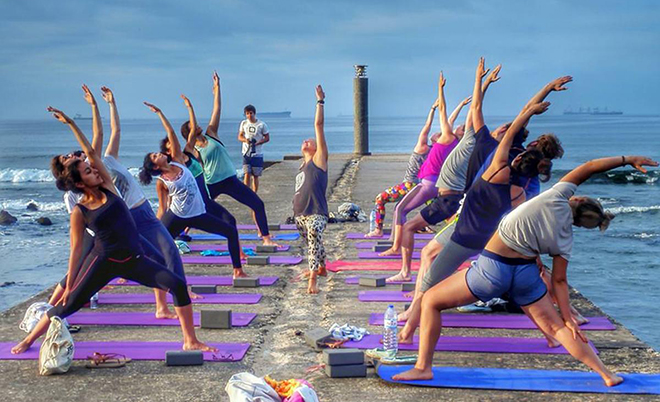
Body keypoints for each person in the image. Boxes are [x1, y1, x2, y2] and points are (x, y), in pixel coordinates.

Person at [392, 154, 658, 386]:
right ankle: (606, 373)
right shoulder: (565, 238)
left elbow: (590, 166)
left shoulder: (556, 195)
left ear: (576, 198)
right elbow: (560, 280)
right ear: (579, 223)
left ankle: (423, 367)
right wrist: (567, 319)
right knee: (557, 330)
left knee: (430, 301)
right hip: (526, 275)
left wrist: (627, 160)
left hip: (492, 268)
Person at [11, 107, 216, 355]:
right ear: (78, 183)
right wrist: (71, 284)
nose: (94, 170)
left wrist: (71, 124)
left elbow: (90, 151)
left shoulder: (108, 186)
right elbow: (76, 250)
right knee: (66, 306)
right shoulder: (80, 211)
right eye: (87, 171)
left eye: (92, 168)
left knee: (178, 285)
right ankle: (30, 339)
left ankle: (189, 340)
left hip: (135, 258)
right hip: (103, 262)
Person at [399, 59, 560, 344]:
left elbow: (481, 110)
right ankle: (555, 328)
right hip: (486, 234)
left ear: (508, 138)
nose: (500, 128)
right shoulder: (522, 180)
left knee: (428, 287)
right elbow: (521, 118)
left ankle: (406, 332)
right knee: (523, 278)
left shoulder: (495, 152)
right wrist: (542, 93)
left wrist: (480, 80)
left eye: (504, 129)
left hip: (467, 232)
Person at [49, 86, 186, 319]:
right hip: (114, 228)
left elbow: (108, 133)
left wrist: (103, 105)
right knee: (73, 278)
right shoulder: (82, 187)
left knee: (162, 257)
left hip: (133, 217)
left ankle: (164, 305)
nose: (73, 156)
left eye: (73, 155)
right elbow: (84, 227)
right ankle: (48, 310)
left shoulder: (103, 162)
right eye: (68, 158)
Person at [139, 97, 247, 278]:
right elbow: (163, 208)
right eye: (155, 156)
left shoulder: (179, 160)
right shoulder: (162, 181)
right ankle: (140, 271)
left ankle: (238, 271)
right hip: (176, 216)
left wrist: (160, 113)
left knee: (229, 230)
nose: (159, 153)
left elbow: (171, 133)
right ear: (155, 166)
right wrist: (156, 223)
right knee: (155, 245)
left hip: (198, 213)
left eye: (157, 152)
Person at [179, 72, 278, 247]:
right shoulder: (192, 150)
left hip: (230, 179)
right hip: (211, 184)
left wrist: (217, 88)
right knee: (195, 208)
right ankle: (181, 233)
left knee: (257, 204)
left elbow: (217, 109)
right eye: (192, 126)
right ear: (190, 133)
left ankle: (266, 238)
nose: (197, 125)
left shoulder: (211, 133)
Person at [379, 72, 461, 258]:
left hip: (427, 184)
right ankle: (396, 242)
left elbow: (444, 115)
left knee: (400, 209)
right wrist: (463, 105)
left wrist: (440, 90)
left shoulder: (447, 139)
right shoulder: (452, 145)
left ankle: (395, 247)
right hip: (435, 185)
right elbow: (451, 121)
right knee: (403, 209)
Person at [365, 96, 470, 238]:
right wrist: (461, 105)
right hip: (432, 184)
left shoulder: (423, 147)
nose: (438, 133)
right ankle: (452, 229)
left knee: (384, 200)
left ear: (439, 139)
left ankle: (380, 231)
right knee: (441, 211)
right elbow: (449, 122)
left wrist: (433, 109)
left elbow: (427, 127)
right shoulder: (442, 149)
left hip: (411, 184)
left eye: (439, 133)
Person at [293, 85, 329, 294]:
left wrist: (320, 101)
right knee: (312, 244)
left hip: (316, 212)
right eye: (304, 141)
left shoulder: (319, 160)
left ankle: (313, 279)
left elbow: (319, 125)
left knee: (314, 234)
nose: (307, 140)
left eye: (311, 141)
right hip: (299, 215)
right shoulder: (301, 166)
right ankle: (322, 268)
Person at [238, 104, 269, 193]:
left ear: (254, 113)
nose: (249, 115)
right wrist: (245, 140)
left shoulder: (261, 125)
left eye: (251, 113)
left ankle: (254, 193)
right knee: (247, 173)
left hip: (257, 153)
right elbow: (239, 136)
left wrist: (258, 142)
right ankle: (246, 192)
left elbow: (267, 138)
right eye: (247, 113)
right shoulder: (244, 123)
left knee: (255, 175)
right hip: (246, 153)